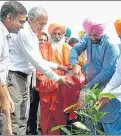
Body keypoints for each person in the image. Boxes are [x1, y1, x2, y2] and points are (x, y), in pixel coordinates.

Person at [7, 7, 72, 135]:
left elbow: (39, 60)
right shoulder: (24, 33)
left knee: (22, 117)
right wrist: (57, 78)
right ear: (31, 20)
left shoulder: (33, 35)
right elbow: (36, 62)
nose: (42, 28)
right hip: (17, 77)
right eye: (41, 24)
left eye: (44, 24)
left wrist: (59, 67)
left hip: (27, 79)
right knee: (17, 116)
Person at [70, 18, 121, 135]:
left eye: (95, 35)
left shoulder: (111, 46)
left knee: (110, 123)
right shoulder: (87, 38)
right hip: (92, 89)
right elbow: (75, 49)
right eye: (90, 35)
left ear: (102, 33)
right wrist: (74, 63)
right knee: (92, 124)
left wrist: (87, 87)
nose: (93, 38)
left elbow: (106, 72)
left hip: (108, 89)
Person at [36, 23, 85, 135]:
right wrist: (53, 82)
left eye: (59, 34)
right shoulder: (43, 48)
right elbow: (40, 70)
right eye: (54, 33)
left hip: (63, 91)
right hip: (47, 92)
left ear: (63, 35)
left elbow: (73, 69)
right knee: (46, 121)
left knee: (61, 121)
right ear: (50, 34)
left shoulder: (69, 49)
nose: (57, 36)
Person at [0, 2, 27, 135]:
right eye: (20, 22)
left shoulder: (3, 34)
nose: (22, 26)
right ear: (9, 17)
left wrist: (7, 97)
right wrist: (3, 99)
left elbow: (0, 73)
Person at [27, 31, 49, 135]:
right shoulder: (32, 51)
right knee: (33, 107)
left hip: (46, 85)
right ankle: (32, 130)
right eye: (41, 40)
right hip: (34, 83)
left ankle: (44, 129)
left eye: (45, 40)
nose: (43, 42)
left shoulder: (49, 52)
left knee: (45, 109)